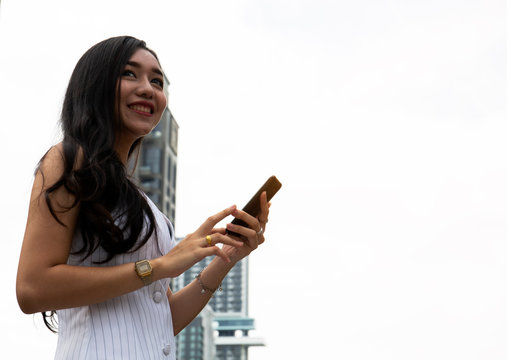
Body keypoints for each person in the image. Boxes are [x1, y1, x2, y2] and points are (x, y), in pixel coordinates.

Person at [16, 36, 270, 360]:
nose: (148, 88)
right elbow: (32, 288)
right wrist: (159, 266)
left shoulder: (144, 206)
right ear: (96, 85)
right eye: (129, 74)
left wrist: (226, 258)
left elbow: (162, 321)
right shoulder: (67, 159)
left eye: (157, 81)